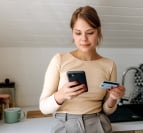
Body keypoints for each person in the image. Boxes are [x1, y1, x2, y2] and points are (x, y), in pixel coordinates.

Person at [39, 5, 125, 133]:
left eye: (90, 32)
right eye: (78, 33)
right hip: (66, 125)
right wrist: (60, 95)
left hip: (98, 124)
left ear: (99, 31)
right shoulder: (59, 60)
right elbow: (44, 108)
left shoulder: (109, 64)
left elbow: (108, 110)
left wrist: (113, 98)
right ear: (72, 33)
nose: (83, 39)